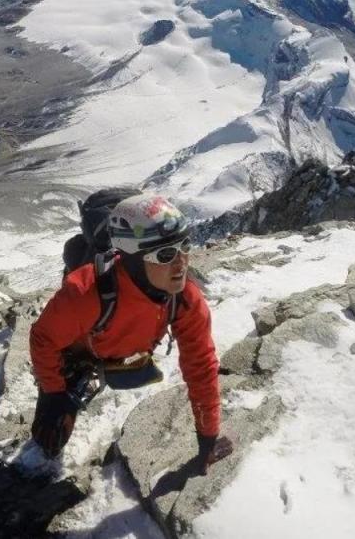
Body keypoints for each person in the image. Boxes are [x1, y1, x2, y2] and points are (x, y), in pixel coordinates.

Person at [29, 194, 232, 473]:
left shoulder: (184, 299)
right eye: (165, 254)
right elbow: (43, 338)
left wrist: (208, 437)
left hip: (113, 343)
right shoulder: (84, 291)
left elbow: (201, 366)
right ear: (133, 259)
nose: (181, 262)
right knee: (49, 440)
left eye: (185, 245)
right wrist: (54, 392)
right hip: (77, 352)